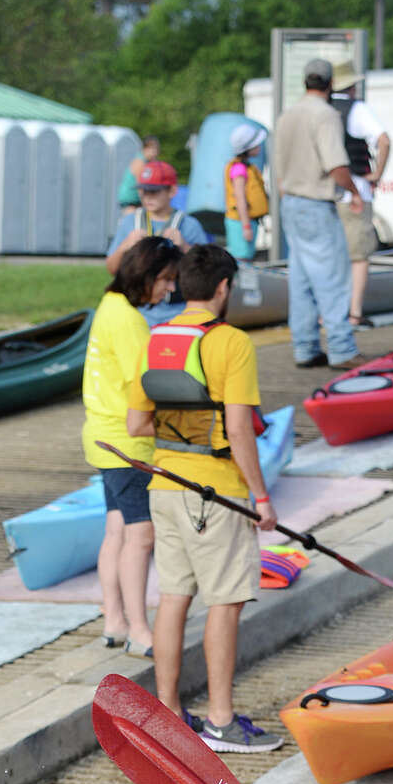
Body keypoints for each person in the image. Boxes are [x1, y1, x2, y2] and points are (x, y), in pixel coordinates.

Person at [126, 244, 282, 753]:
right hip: (216, 493)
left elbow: (136, 424)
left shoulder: (154, 338)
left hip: (165, 486)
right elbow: (238, 429)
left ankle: (169, 713)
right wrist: (261, 497)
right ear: (223, 289)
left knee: (174, 597)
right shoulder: (231, 343)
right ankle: (220, 721)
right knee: (226, 601)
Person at [82, 235, 182, 657]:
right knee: (142, 535)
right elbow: (144, 385)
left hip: (100, 434)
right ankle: (141, 630)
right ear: (144, 275)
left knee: (117, 530)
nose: (170, 290)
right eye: (165, 280)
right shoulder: (130, 322)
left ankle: (115, 621)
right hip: (127, 443)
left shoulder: (110, 306)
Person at [271, 56, 365, 369]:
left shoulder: (287, 115)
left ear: (304, 82)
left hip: (291, 201)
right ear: (329, 84)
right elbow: (336, 164)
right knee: (333, 278)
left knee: (301, 280)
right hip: (316, 201)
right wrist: (353, 190)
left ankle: (305, 347)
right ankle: (341, 349)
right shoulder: (325, 115)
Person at [105, 160, 208, 325]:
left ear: (172, 191)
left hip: (177, 312)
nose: (148, 197)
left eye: (154, 191)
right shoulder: (130, 222)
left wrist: (186, 247)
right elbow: (111, 268)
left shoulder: (188, 225)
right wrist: (125, 245)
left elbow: (206, 275)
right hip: (138, 312)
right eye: (143, 191)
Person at [329, 62, 391, 327]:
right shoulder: (357, 109)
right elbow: (384, 140)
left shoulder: (323, 111)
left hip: (325, 193)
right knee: (359, 256)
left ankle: (328, 312)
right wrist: (377, 173)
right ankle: (354, 312)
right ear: (352, 85)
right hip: (355, 190)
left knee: (331, 256)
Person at [223, 123, 268, 262]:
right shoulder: (239, 169)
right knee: (241, 259)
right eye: (255, 144)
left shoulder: (247, 167)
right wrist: (246, 226)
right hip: (240, 222)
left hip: (246, 221)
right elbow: (240, 198)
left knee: (246, 257)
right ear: (247, 149)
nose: (259, 146)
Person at [117, 135, 160, 211]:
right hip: (130, 200)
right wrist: (147, 205)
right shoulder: (140, 162)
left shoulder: (147, 162)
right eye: (152, 150)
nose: (155, 153)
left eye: (157, 150)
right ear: (144, 149)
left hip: (136, 200)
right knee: (132, 221)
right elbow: (141, 185)